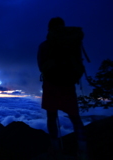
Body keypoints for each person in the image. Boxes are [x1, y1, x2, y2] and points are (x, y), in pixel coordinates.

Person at [37, 17, 88, 158]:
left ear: (49, 29)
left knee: (51, 117)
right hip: (68, 85)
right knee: (75, 118)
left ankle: (55, 148)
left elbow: (41, 67)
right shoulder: (72, 43)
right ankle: (83, 151)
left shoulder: (44, 46)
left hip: (50, 85)